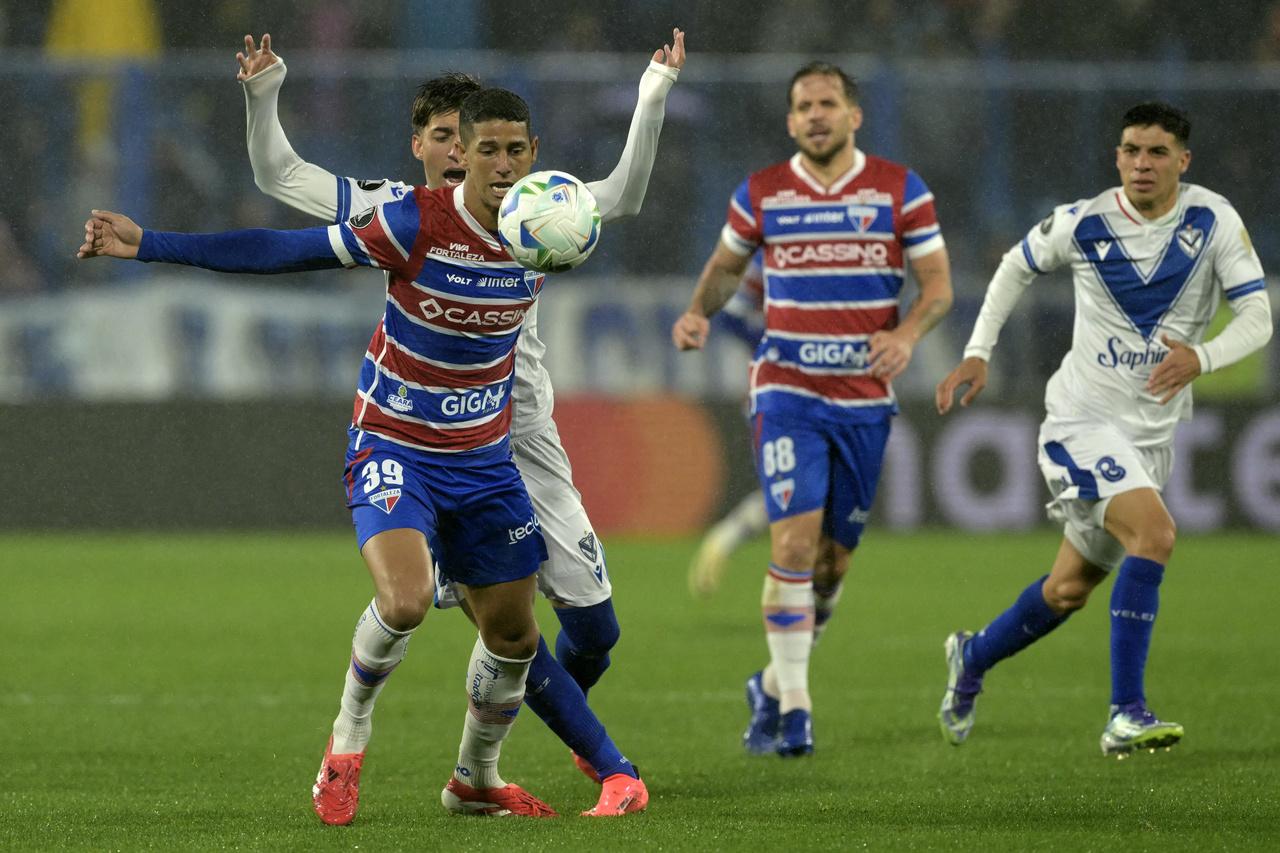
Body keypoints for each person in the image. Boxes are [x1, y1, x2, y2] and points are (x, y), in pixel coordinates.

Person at [78, 81, 662, 822]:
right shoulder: (411, 222)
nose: (501, 163)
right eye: (485, 148)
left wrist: (653, 93)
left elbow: (625, 195)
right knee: (406, 597)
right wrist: (148, 243)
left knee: (514, 637)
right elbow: (283, 249)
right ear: (461, 152)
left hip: (486, 460)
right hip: (395, 442)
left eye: (516, 149)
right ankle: (347, 740)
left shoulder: (554, 223)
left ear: (534, 153)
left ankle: (475, 782)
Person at [233, 29, 683, 804]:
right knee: (488, 614)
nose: (463, 154)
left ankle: (514, 743)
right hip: (438, 437)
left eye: (473, 140)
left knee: (596, 630)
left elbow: (621, 196)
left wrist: (652, 94)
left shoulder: (534, 205)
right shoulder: (394, 209)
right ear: (427, 146)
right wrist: (263, 90)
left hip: (528, 429)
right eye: (445, 138)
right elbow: (279, 174)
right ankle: (548, 762)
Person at [934, 102, 1273, 757]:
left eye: (1155, 152)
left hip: (1151, 439)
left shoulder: (1212, 219)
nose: (1141, 164)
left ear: (1183, 160)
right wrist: (979, 350)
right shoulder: (1086, 221)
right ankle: (1125, 712)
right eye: (1130, 151)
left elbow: (1258, 316)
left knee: (1066, 590)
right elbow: (1014, 266)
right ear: (1117, 156)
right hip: (1080, 423)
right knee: (1157, 532)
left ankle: (971, 656)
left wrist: (1201, 356)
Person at [672, 62, 953, 756]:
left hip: (864, 399)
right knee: (793, 545)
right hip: (787, 390)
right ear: (791, 120)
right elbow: (726, 268)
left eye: (828, 103)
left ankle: (769, 684)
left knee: (831, 568)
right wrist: (697, 312)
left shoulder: (899, 189)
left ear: (854, 116)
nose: (816, 115)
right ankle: (795, 709)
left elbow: (938, 286)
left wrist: (907, 334)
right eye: (803, 106)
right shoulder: (762, 192)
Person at [687, 251, 769, 598]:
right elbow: (731, 314)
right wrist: (771, 343)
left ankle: (726, 538)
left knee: (801, 497)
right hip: (776, 391)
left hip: (817, 389)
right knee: (793, 496)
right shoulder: (771, 255)